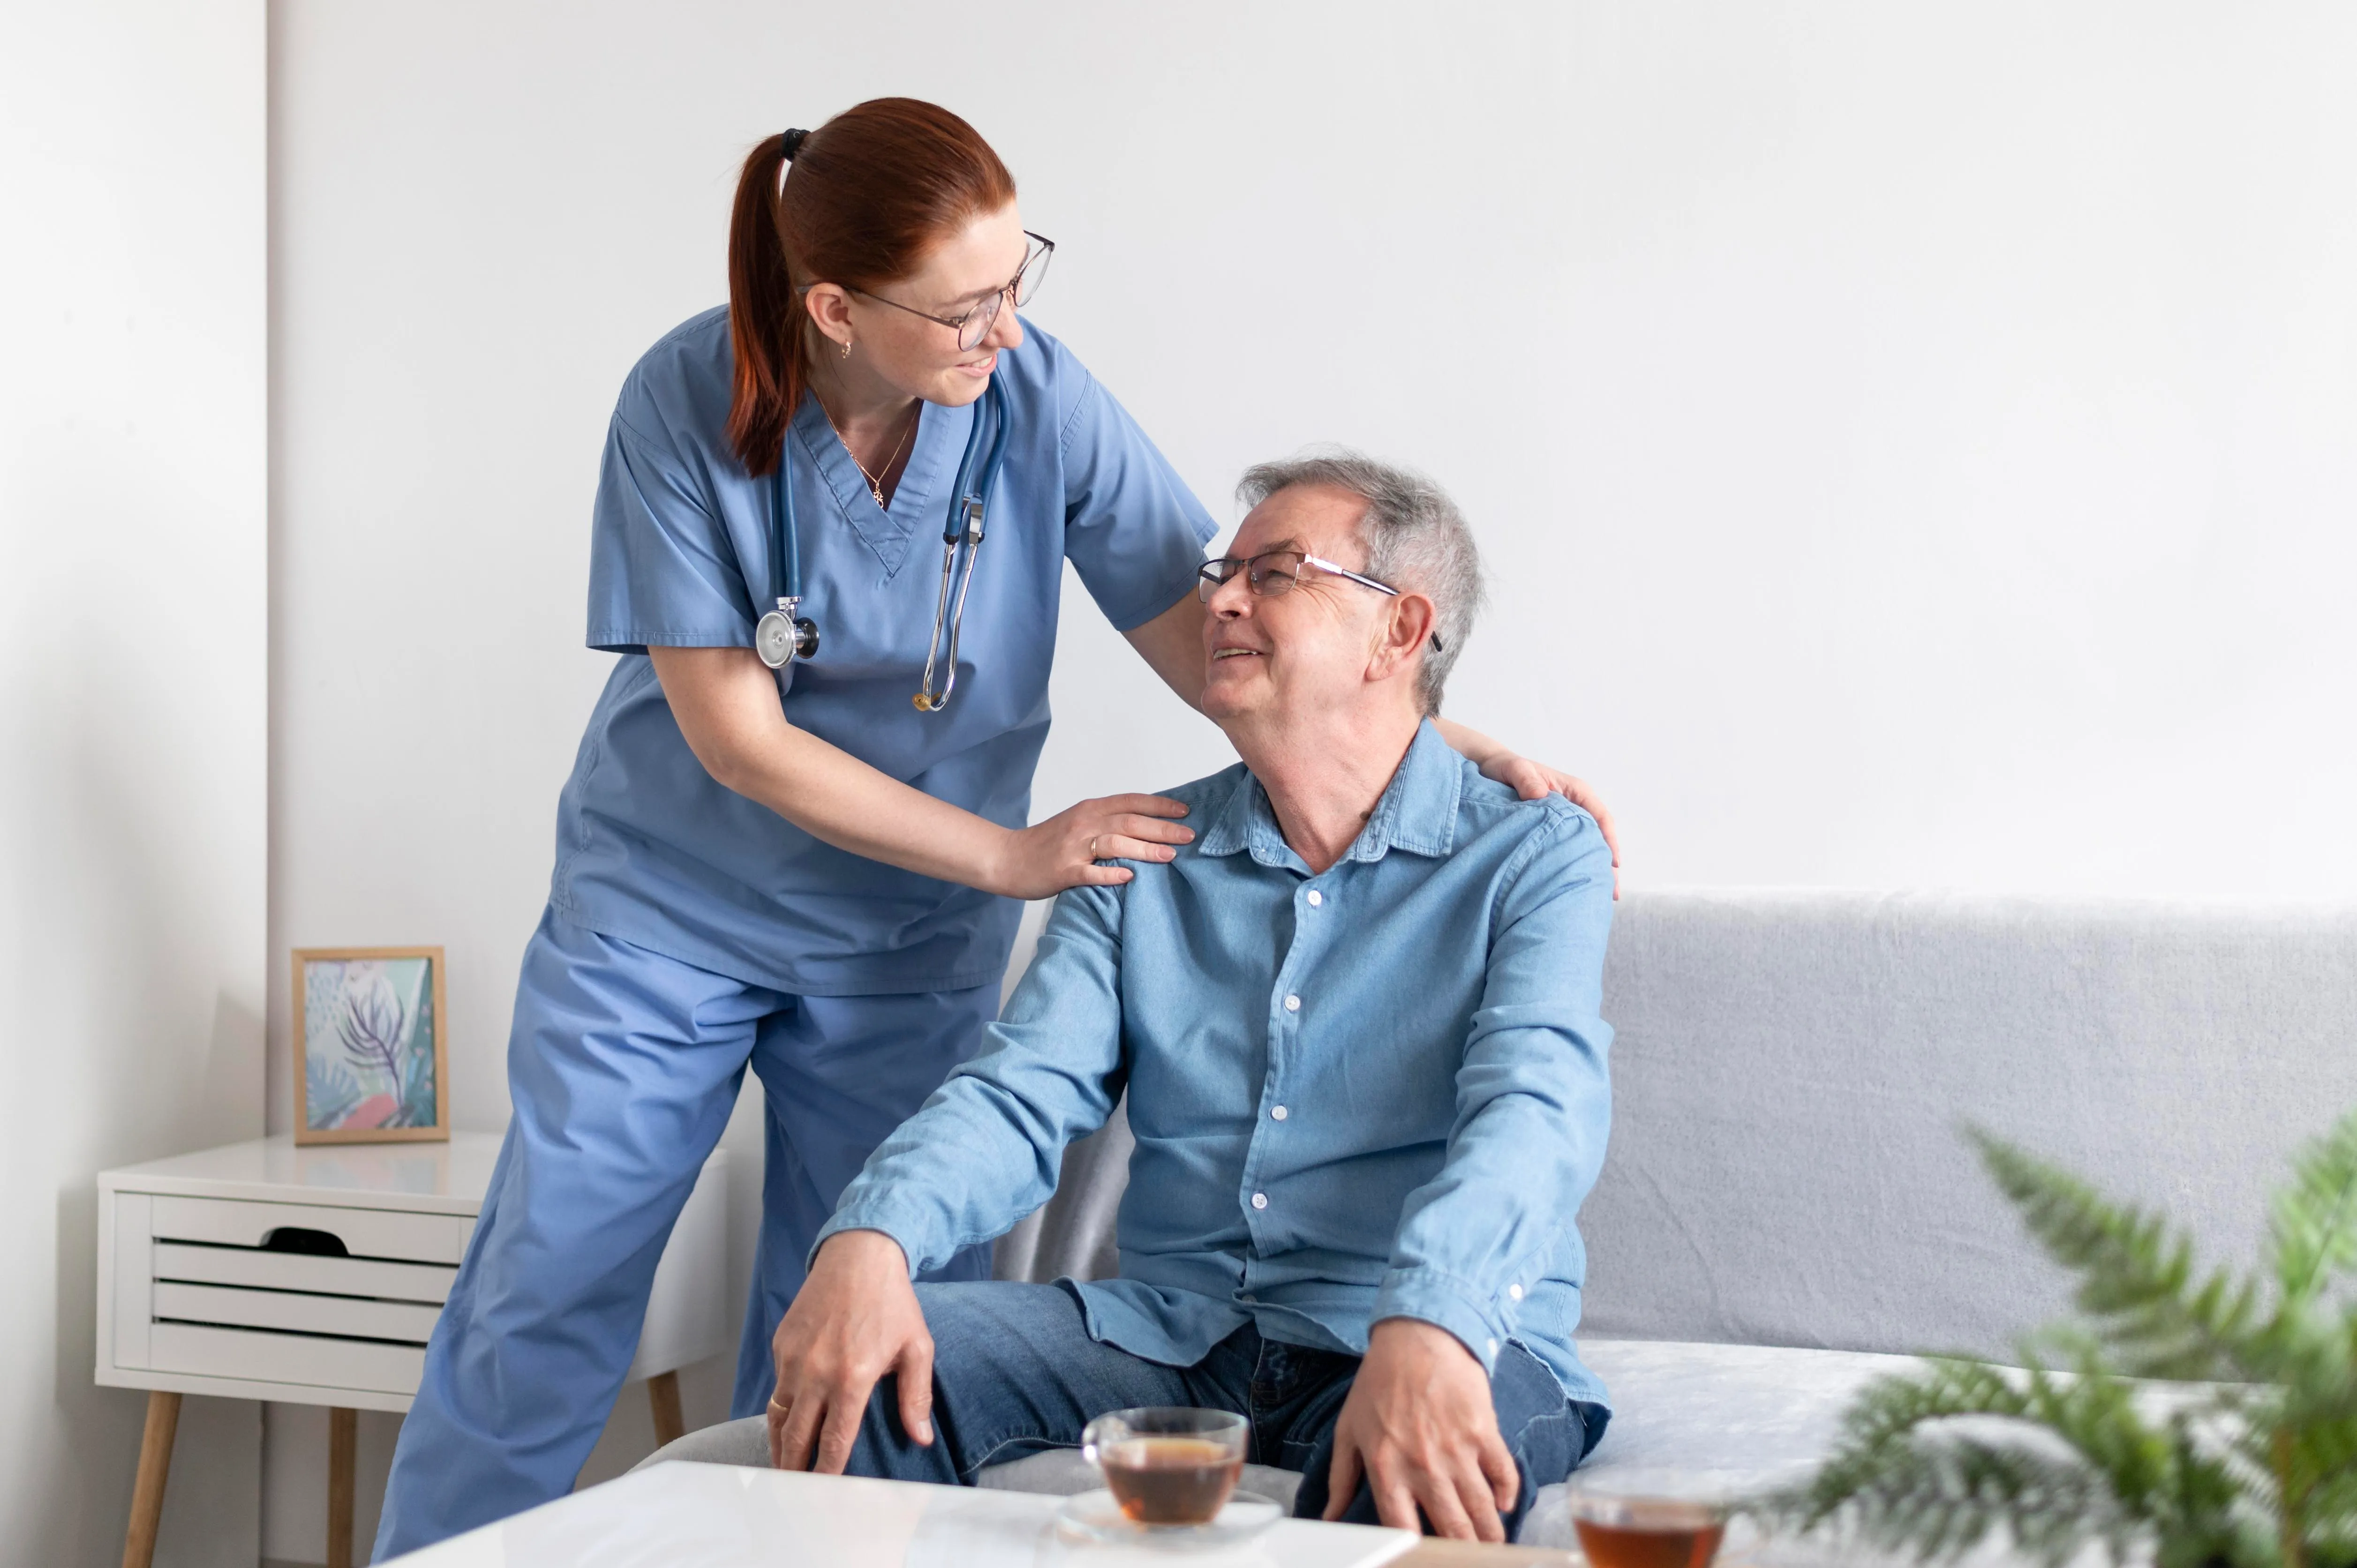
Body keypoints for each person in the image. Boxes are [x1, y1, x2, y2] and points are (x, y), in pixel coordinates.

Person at [374, 100, 1617, 1557]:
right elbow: (736, 736)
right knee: (548, 1291)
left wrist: (1440, 743)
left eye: (1018, 277)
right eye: (967, 305)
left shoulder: (1035, 398)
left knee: (845, 1339)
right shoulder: (685, 400)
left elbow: (1213, 625)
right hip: (674, 916)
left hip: (905, 946)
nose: (1006, 328)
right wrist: (1019, 857)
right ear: (835, 307)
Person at [758, 453, 1616, 1545]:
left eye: (1274, 572)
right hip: (1167, 1331)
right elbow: (1018, 1092)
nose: (1217, 597)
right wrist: (869, 1235)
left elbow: (1535, 1106)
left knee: (1404, 1483)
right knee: (872, 1367)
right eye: (1223, 569)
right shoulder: (1142, 853)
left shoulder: (1533, 853)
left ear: (1398, 633)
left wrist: (1432, 1318)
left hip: (1428, 1330)